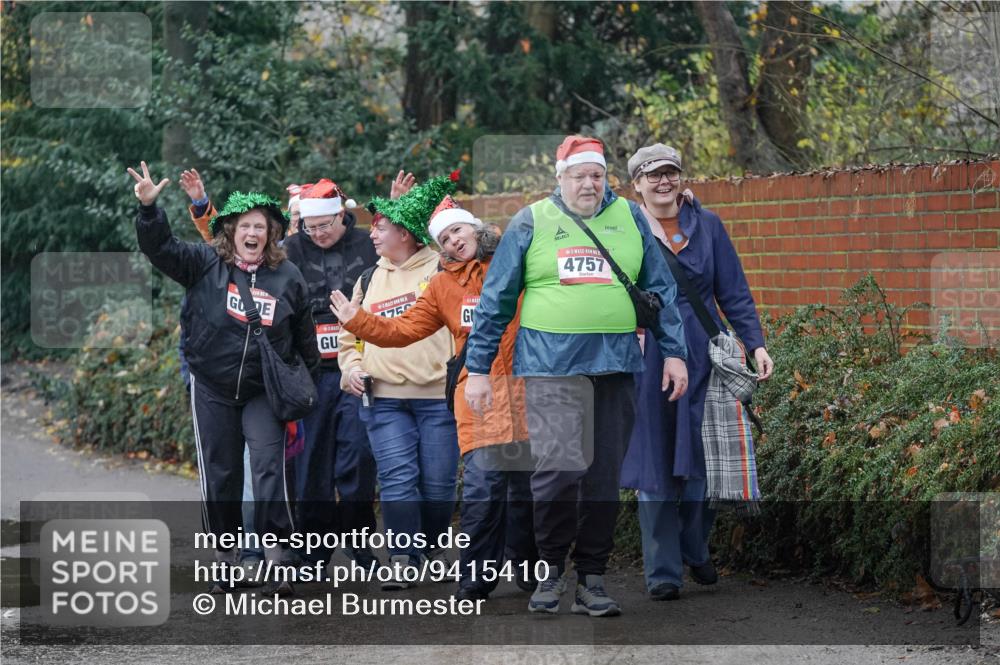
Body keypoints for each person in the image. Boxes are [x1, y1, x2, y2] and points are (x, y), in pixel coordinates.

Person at [464, 136, 688, 617]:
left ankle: (592, 578)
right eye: (579, 175)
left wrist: (675, 354)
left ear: (606, 178)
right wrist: (478, 368)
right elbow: (495, 300)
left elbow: (660, 288)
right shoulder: (531, 221)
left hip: (616, 366)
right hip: (552, 368)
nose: (589, 183)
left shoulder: (629, 217)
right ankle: (550, 574)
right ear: (560, 178)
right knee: (558, 475)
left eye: (597, 175)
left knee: (603, 478)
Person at [330, 193, 537, 602]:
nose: (453, 242)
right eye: (444, 238)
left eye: (457, 230)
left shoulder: (517, 264)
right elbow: (403, 330)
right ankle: (476, 579)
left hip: (527, 393)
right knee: (481, 488)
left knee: (524, 490)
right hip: (476, 396)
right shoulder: (443, 285)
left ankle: (531, 571)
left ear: (475, 227)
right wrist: (358, 322)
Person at [129, 161, 319, 597]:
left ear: (272, 235)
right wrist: (148, 210)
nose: (254, 233)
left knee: (269, 468)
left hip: (263, 391)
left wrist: (304, 390)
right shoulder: (204, 264)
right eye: (246, 226)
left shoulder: (288, 277)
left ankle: (277, 557)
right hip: (211, 387)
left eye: (262, 227)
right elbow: (160, 250)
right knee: (221, 472)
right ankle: (226, 557)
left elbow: (304, 339)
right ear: (231, 231)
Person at [620, 143, 774, 601]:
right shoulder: (625, 231)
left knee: (708, 459)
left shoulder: (708, 226)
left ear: (681, 178)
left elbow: (735, 290)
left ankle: (693, 543)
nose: (663, 182)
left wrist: (756, 344)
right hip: (650, 360)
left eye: (671, 173)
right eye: (653, 176)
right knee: (656, 464)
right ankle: (663, 572)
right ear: (637, 185)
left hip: (707, 355)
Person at [336, 174, 458, 590]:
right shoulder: (368, 280)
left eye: (381, 227)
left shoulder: (445, 269)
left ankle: (434, 549)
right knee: (398, 478)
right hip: (384, 400)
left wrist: (412, 204)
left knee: (439, 483)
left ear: (405, 234)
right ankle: (403, 557)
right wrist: (350, 367)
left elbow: (466, 231)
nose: (372, 234)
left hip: (440, 399)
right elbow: (349, 337)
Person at [281, 178, 380, 568]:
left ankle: (359, 544)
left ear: (343, 215)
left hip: (358, 366)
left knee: (358, 458)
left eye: (325, 225)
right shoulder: (290, 250)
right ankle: (314, 550)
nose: (318, 234)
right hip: (311, 372)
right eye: (311, 227)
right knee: (311, 465)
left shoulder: (366, 243)